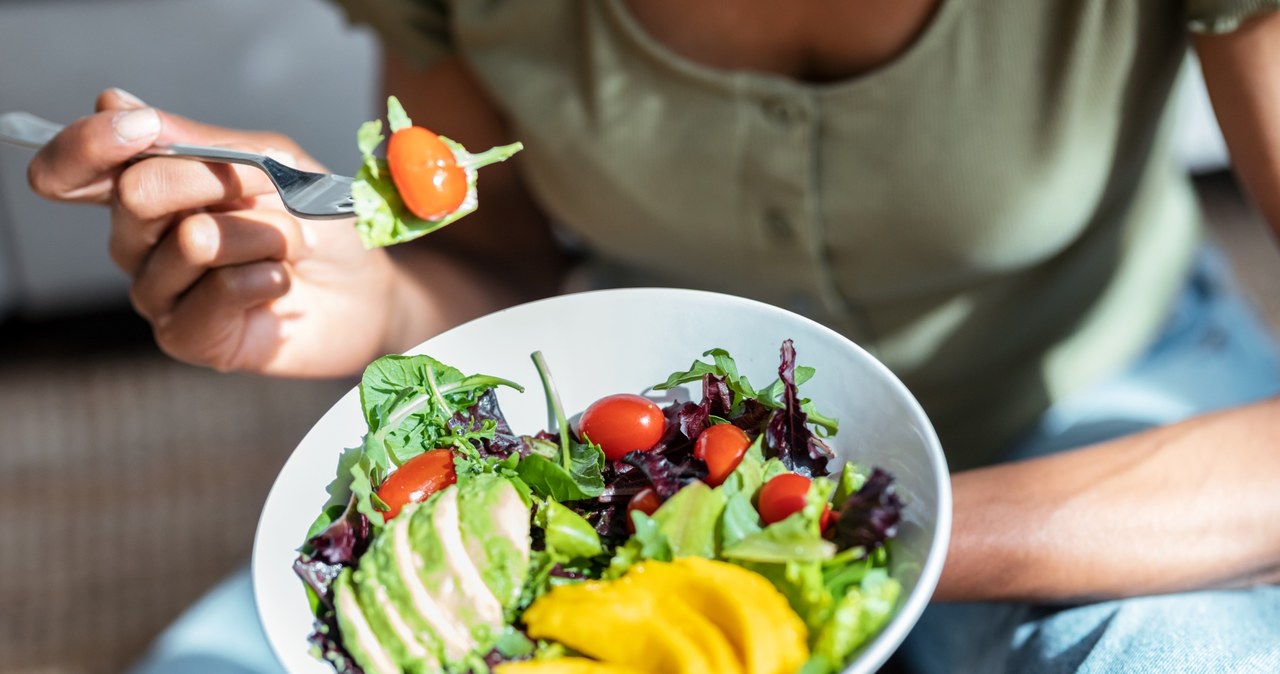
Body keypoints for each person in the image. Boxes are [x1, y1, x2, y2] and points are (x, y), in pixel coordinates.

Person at [25, 0, 1280, 672]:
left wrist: (824, 550)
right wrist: (373, 299)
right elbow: (493, 266)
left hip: (1103, 406)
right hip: (645, 448)